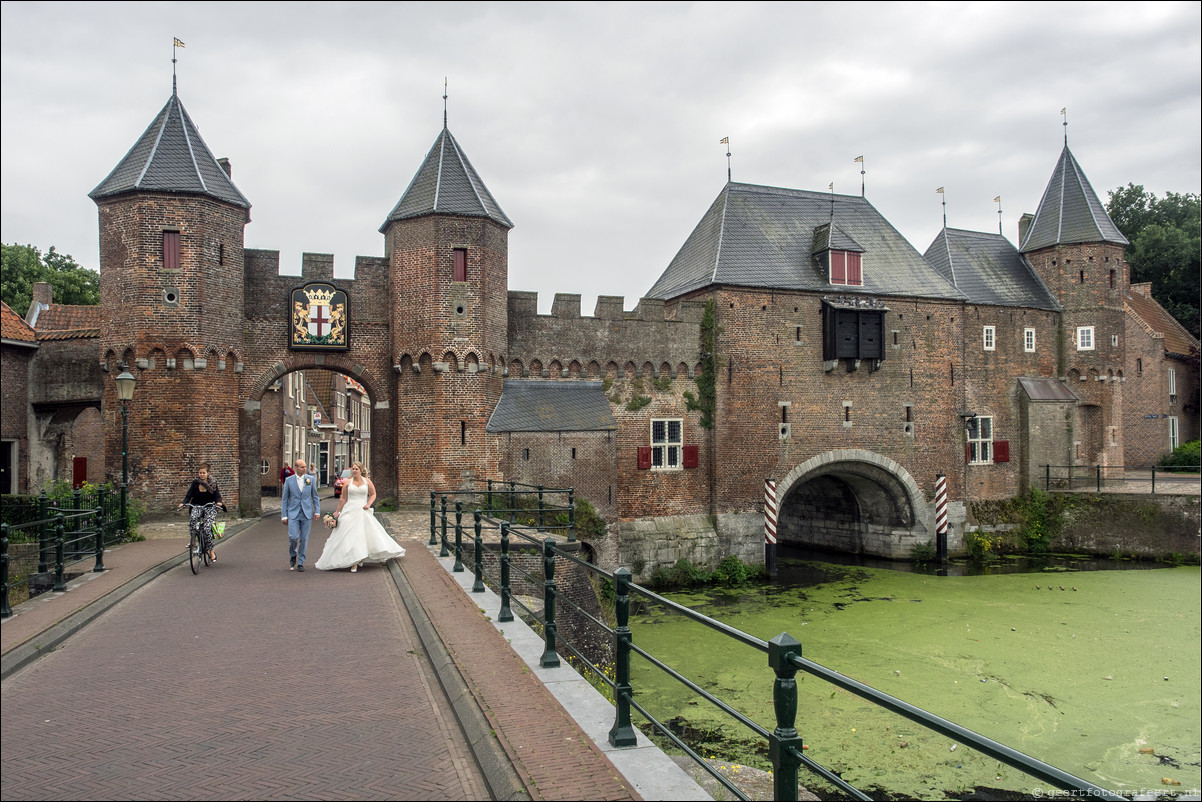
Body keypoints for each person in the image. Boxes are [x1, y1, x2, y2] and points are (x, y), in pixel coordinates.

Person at [315, 462, 405, 573]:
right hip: (350, 510)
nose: (354, 471)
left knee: (363, 534)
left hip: (362, 510)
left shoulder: (367, 482)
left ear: (361, 470)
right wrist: (337, 511)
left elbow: (373, 494)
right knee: (348, 535)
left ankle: (357, 560)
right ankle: (352, 560)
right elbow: (343, 498)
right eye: (353, 469)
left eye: (356, 469)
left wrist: (368, 504)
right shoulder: (348, 482)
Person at [177, 464, 227, 563]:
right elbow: (189, 494)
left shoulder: (212, 483)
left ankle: (211, 551)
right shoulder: (195, 483)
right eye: (200, 473)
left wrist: (219, 502)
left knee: (208, 528)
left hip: (209, 507)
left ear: (208, 473)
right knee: (193, 520)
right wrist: (184, 502)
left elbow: (217, 495)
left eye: (204, 473)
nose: (202, 474)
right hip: (197, 506)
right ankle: (194, 540)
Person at [281, 457, 321, 572]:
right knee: (293, 537)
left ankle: (301, 562)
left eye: (305, 467)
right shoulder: (289, 480)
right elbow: (285, 499)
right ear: (296, 468)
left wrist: (317, 511)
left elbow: (315, 496)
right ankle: (293, 553)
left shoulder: (310, 479)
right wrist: (284, 515)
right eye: (302, 467)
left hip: (307, 513)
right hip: (293, 512)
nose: (304, 469)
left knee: (304, 538)